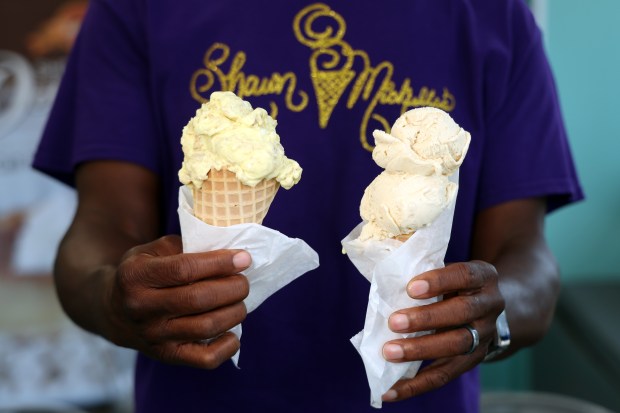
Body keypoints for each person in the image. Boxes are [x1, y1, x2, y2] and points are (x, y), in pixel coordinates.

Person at [33, 0, 583, 412]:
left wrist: (496, 313)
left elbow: (526, 256)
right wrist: (113, 295)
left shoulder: (496, 15)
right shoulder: (136, 8)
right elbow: (99, 231)